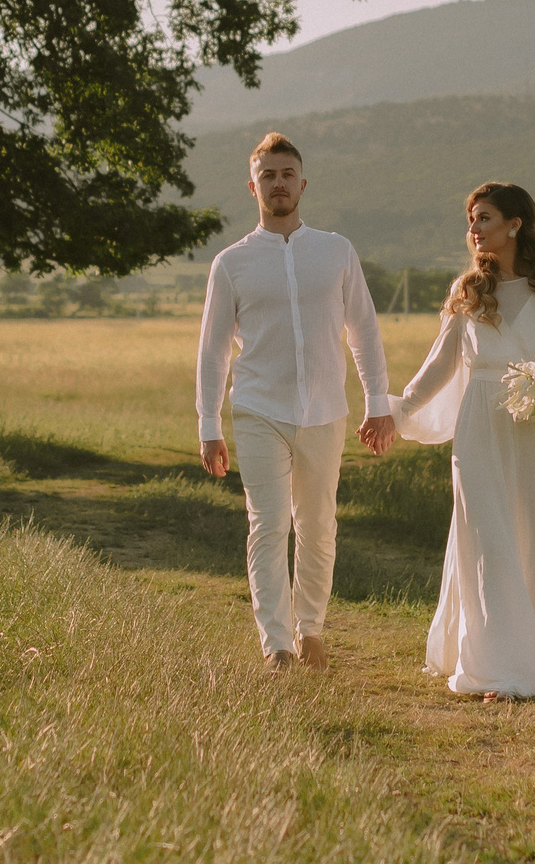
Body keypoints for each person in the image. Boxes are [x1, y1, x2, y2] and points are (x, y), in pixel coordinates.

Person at [392, 180, 535, 700]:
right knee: (485, 538)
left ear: (515, 224)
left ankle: (522, 644)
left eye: (484, 217)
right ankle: (498, 668)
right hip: (479, 428)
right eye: (470, 219)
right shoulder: (467, 291)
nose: (474, 229)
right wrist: (394, 411)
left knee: (530, 535)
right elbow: (439, 366)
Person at [197, 132, 396, 670]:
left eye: (286, 174)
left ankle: (311, 631)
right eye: (268, 175)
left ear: (302, 183)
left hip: (327, 411)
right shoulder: (231, 264)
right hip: (259, 408)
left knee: (318, 525)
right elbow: (213, 350)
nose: (278, 183)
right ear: (252, 186)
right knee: (267, 524)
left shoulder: (336, 251)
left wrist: (379, 402)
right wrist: (208, 424)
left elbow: (365, 331)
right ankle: (277, 645)